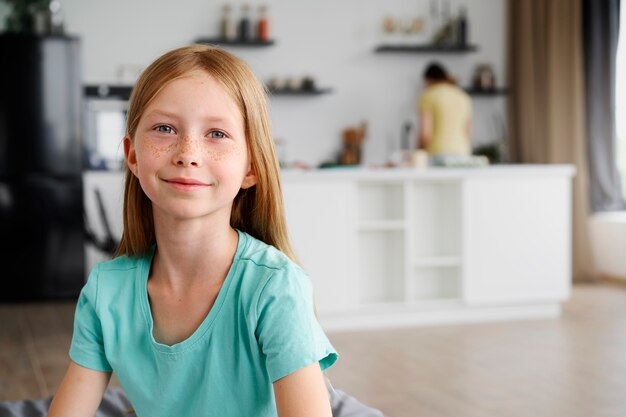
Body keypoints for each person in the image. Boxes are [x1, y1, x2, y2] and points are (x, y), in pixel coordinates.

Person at [48, 44, 338, 417]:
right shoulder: (106, 291)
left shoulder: (276, 289)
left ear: (251, 167)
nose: (188, 152)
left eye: (216, 134)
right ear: (133, 155)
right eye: (165, 128)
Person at [416, 62, 472, 157]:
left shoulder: (428, 96)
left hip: (437, 153)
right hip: (463, 152)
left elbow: (425, 134)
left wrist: (418, 153)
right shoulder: (463, 97)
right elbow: (467, 133)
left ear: (428, 80)